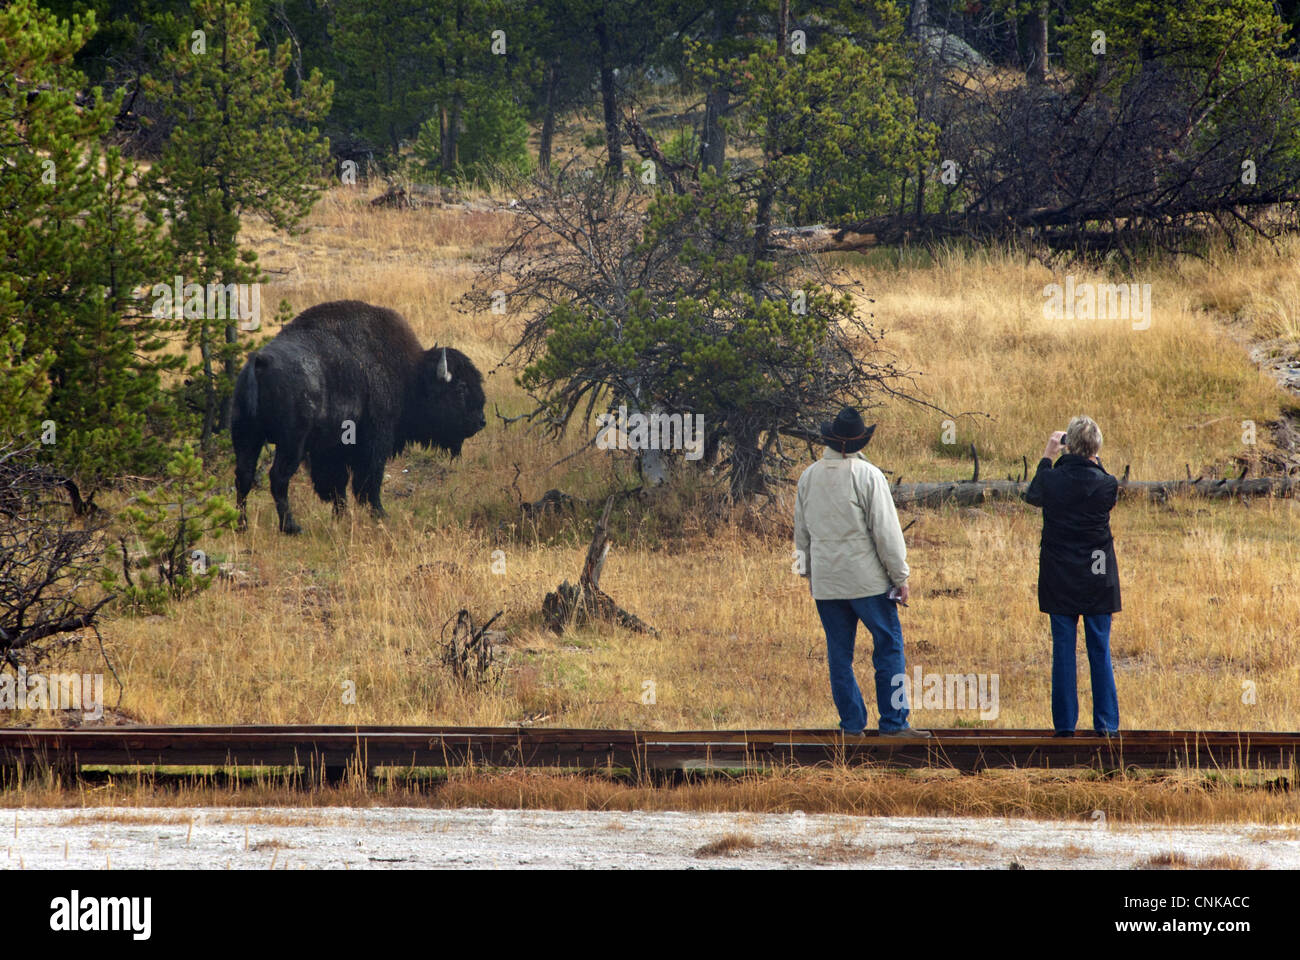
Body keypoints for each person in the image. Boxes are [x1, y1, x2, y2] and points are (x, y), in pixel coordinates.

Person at [793, 407, 930, 738]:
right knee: (889, 645)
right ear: (857, 441)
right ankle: (894, 725)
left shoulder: (808, 476)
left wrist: (808, 574)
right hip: (868, 583)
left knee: (839, 656)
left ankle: (851, 727)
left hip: (827, 584)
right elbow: (886, 533)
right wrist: (901, 577)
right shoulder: (868, 475)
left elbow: (801, 533)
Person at [1024, 415, 1121, 737]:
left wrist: (1048, 454)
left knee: (1063, 650)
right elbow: (1103, 478)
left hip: (1059, 570)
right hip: (1097, 569)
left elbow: (1033, 495)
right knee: (1100, 648)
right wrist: (1094, 459)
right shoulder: (1107, 484)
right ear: (1095, 449)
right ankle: (1106, 726)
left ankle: (1065, 727)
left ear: (1068, 445)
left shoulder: (1051, 480)